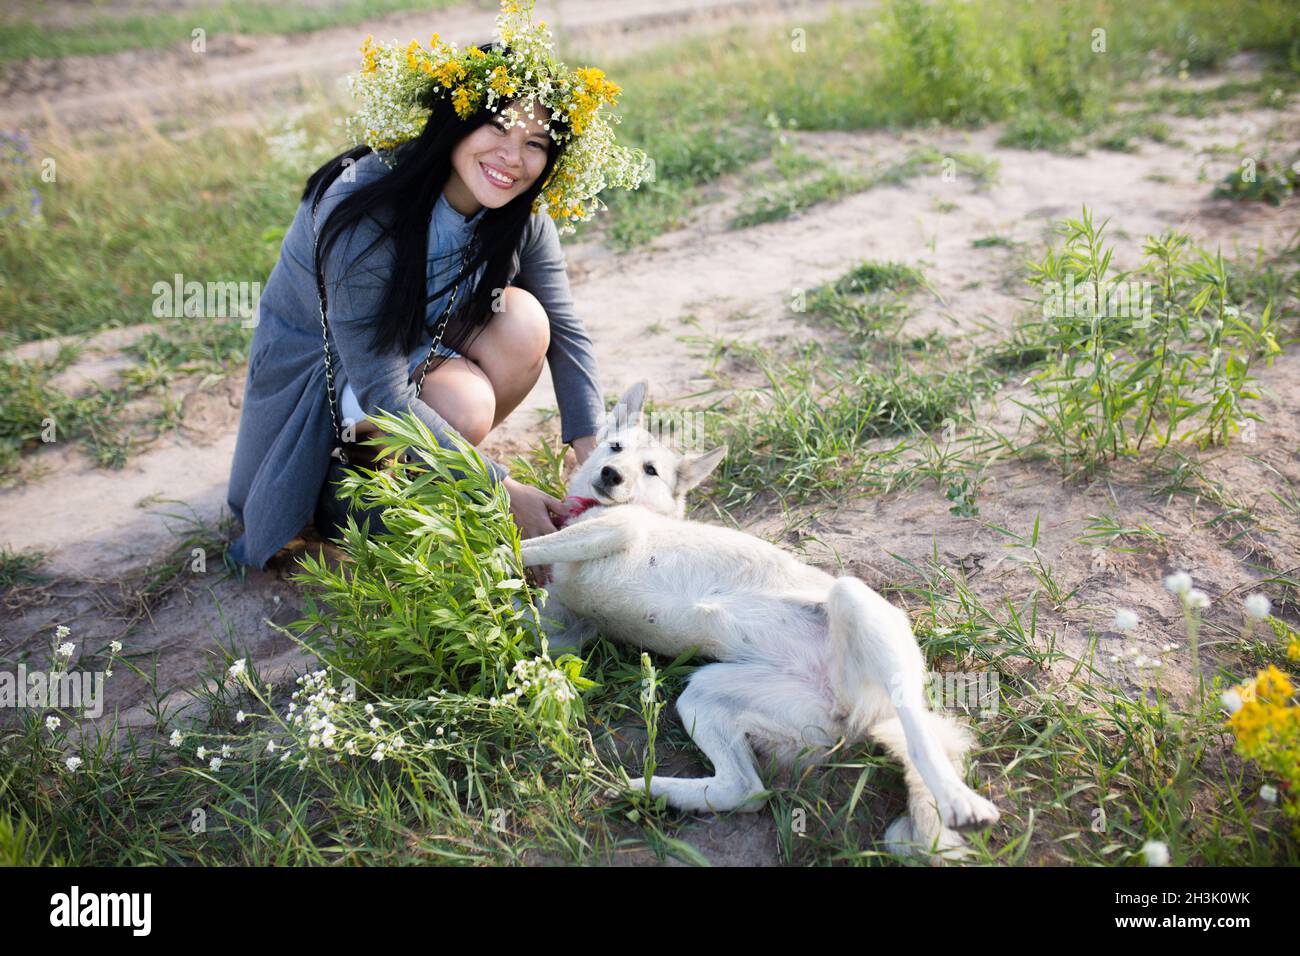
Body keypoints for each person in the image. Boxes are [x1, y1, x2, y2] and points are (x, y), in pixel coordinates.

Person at [225, 1, 647, 569]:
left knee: (525, 321)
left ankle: (422, 461)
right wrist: (501, 487)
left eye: (535, 143)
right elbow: (382, 389)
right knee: (461, 403)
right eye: (496, 126)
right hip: (330, 378)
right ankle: (344, 483)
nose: (511, 158)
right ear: (456, 121)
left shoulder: (520, 213)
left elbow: (566, 331)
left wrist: (590, 447)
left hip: (413, 357)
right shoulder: (364, 207)